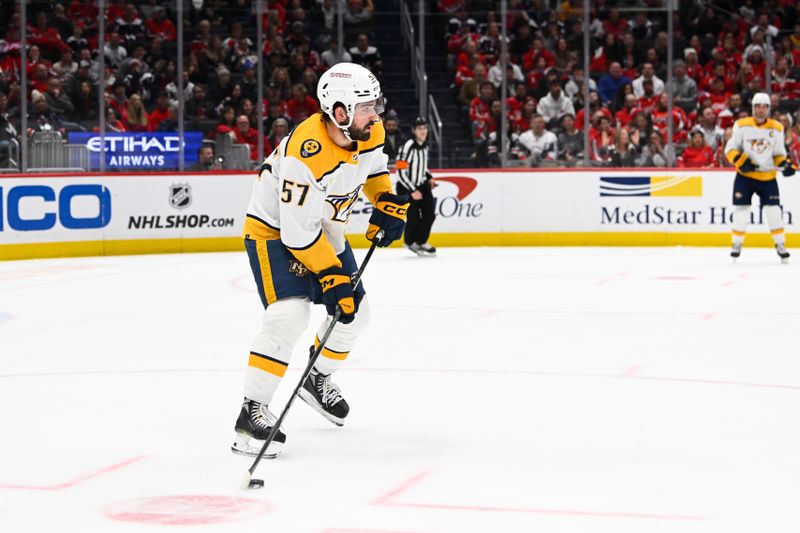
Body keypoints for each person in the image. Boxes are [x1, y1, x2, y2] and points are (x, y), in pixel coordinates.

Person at [232, 62, 409, 458]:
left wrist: (384, 201)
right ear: (340, 111)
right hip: (275, 233)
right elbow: (296, 234)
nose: (376, 113)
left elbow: (375, 169)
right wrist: (332, 277)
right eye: (366, 107)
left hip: (324, 229)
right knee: (288, 316)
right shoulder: (304, 154)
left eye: (375, 104)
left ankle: (317, 378)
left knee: (356, 314)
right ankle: (250, 413)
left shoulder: (369, 130)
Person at [724, 92, 794, 262]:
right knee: (741, 211)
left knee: (774, 212)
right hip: (745, 177)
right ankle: (736, 244)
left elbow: (778, 154)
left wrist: (785, 164)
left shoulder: (776, 128)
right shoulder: (741, 125)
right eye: (758, 107)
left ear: (768, 108)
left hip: (767, 177)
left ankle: (780, 245)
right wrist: (742, 161)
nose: (761, 110)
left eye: (764, 107)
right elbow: (730, 150)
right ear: (753, 108)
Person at [396, 117, 437, 256]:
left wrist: (429, 178)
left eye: (425, 128)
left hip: (422, 185)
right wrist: (412, 190)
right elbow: (400, 171)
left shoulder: (425, 145)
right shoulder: (408, 146)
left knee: (429, 215)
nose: (423, 131)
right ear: (413, 130)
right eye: (420, 128)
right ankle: (409, 242)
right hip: (406, 186)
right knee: (413, 217)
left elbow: (422, 167)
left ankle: (421, 241)